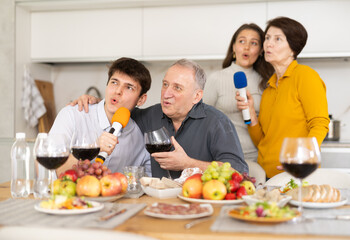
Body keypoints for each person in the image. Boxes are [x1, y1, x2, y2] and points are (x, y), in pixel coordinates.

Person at [71, 59, 248, 178]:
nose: (166, 94)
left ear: (197, 96)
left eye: (177, 88)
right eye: (165, 85)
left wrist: (188, 164)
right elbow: (117, 110)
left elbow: (239, 173)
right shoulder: (148, 116)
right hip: (156, 207)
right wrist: (94, 102)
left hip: (202, 206)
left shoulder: (217, 122)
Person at [236, 17, 329, 178]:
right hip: (266, 176)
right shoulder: (269, 89)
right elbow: (263, 141)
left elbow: (320, 123)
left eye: (277, 39)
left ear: (293, 49)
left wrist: (301, 158)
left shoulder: (305, 76)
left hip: (296, 174)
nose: (268, 44)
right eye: (267, 38)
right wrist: (251, 113)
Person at [51, 57, 152, 176]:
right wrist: (93, 149)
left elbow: (146, 186)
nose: (118, 91)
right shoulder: (72, 115)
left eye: (129, 87)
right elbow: (48, 170)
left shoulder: (140, 138)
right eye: (114, 82)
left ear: (141, 99)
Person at [203, 23, 274, 162]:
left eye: (253, 43)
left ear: (261, 50)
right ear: (234, 47)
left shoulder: (268, 82)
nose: (246, 47)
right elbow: (202, 120)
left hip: (258, 157)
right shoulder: (216, 79)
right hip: (223, 157)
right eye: (242, 41)